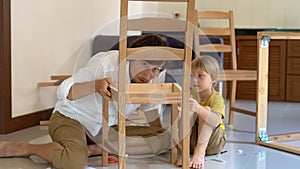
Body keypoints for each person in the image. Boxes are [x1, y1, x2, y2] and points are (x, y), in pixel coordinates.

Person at [0, 34, 171, 169]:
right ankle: (29, 148)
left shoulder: (157, 75)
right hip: (72, 119)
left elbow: (150, 106)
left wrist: (158, 136)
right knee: (73, 162)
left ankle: (93, 150)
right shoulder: (106, 62)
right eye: (145, 64)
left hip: (105, 127)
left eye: (156, 69)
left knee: (167, 139)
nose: (149, 75)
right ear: (131, 56)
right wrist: (95, 85)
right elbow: (64, 90)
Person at [176, 55, 226, 169]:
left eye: (200, 76)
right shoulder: (189, 94)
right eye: (192, 75)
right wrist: (180, 113)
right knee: (188, 110)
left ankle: (199, 153)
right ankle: (185, 153)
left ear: (213, 79)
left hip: (213, 143)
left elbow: (215, 121)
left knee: (206, 110)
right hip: (191, 142)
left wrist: (198, 108)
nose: (194, 80)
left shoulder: (217, 98)